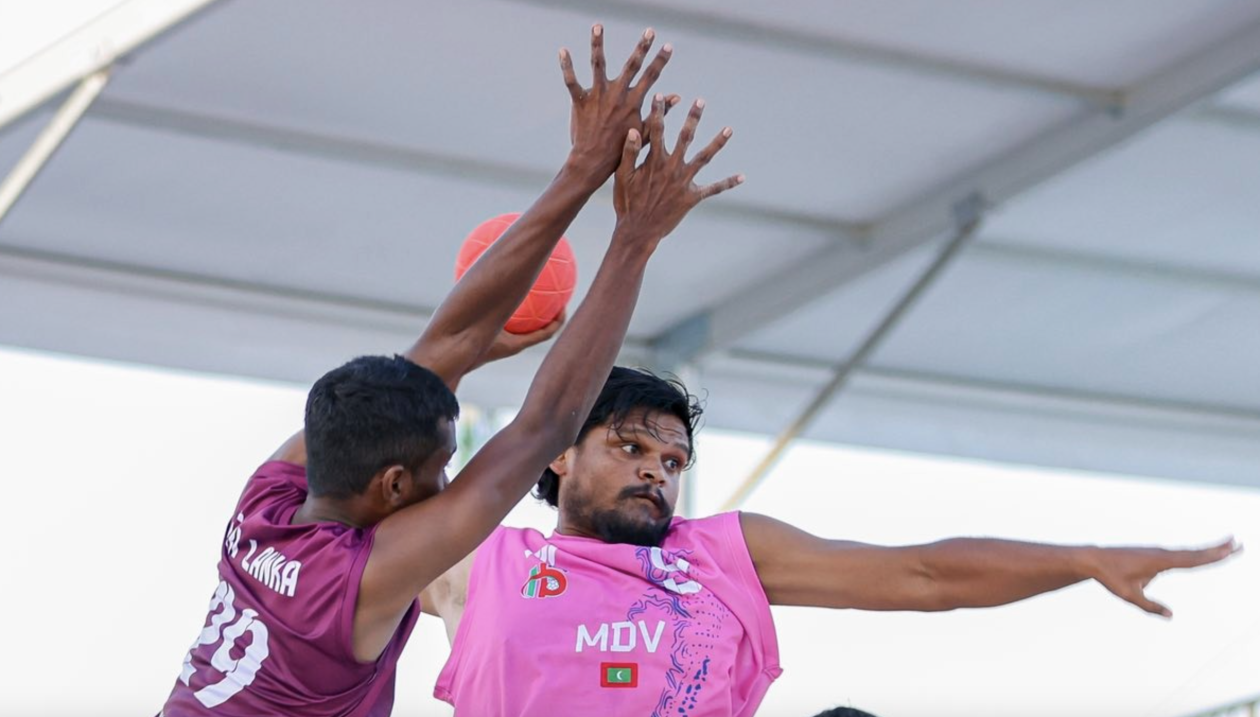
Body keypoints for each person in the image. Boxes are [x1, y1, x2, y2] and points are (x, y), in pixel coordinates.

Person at [160, 25, 743, 716]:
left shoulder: (268, 502)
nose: (449, 480)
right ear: (394, 484)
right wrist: (634, 241)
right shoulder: (360, 579)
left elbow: (437, 349)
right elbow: (545, 425)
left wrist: (583, 168)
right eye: (441, 466)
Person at [426, 367, 1241, 716]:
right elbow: (363, 485)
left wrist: (1081, 560)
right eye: (630, 446)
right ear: (558, 453)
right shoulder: (478, 562)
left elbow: (923, 574)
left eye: (673, 460)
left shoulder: (721, 553)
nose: (655, 471)